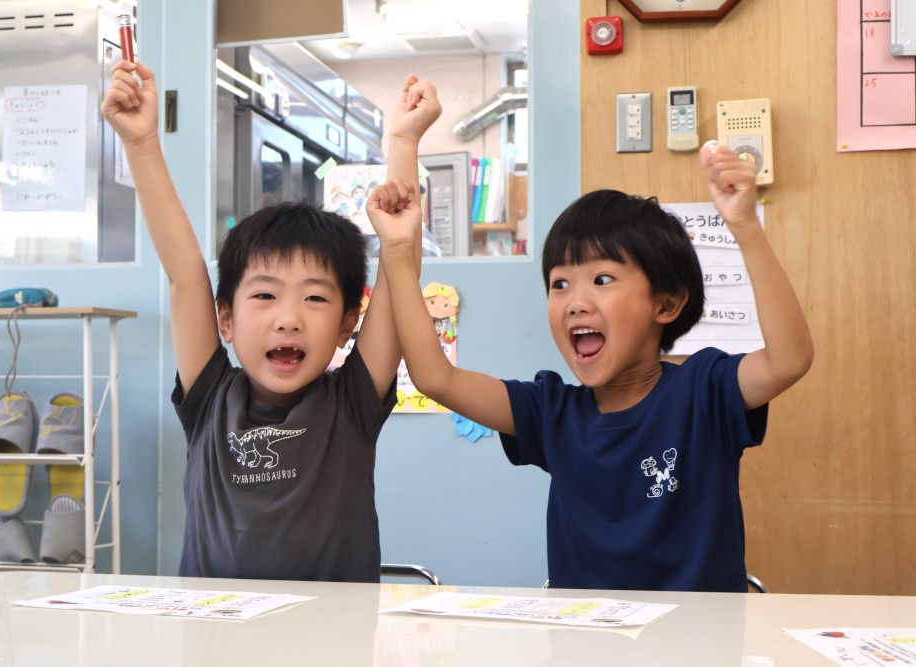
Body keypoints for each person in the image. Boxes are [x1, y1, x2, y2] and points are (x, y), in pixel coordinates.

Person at [367, 140, 813, 592]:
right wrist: (400, 257)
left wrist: (745, 226)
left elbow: (789, 359)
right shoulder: (550, 411)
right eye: (559, 283)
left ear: (667, 303)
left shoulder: (704, 392)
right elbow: (435, 377)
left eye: (602, 280)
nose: (575, 302)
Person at [101, 61, 440, 582]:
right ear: (226, 319)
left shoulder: (350, 404)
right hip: (215, 646)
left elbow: (399, 271)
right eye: (264, 295)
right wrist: (142, 144)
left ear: (350, 322)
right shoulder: (210, 397)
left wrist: (402, 144)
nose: (289, 319)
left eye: (315, 299)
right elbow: (186, 275)